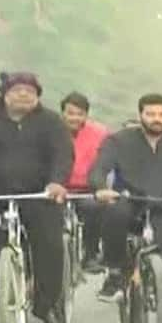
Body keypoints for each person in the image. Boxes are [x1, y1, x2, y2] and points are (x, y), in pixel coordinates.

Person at [0, 71, 73, 323]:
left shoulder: (52, 122)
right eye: (17, 90)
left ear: (37, 96)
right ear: (5, 95)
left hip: (39, 193)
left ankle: (45, 306)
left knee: (52, 247)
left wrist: (57, 182)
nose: (23, 95)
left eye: (30, 91)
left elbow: (63, 155)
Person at [89, 93, 162, 323]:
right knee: (115, 215)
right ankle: (114, 274)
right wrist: (101, 187)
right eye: (151, 114)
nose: (157, 119)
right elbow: (99, 168)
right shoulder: (119, 140)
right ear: (140, 115)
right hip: (128, 198)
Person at [61, 91, 108, 273]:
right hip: (58, 187)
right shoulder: (52, 130)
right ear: (63, 113)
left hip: (87, 188)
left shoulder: (100, 133)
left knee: (93, 208)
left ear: (86, 115)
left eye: (79, 114)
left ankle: (90, 254)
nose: (74, 118)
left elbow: (105, 161)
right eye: (70, 113)